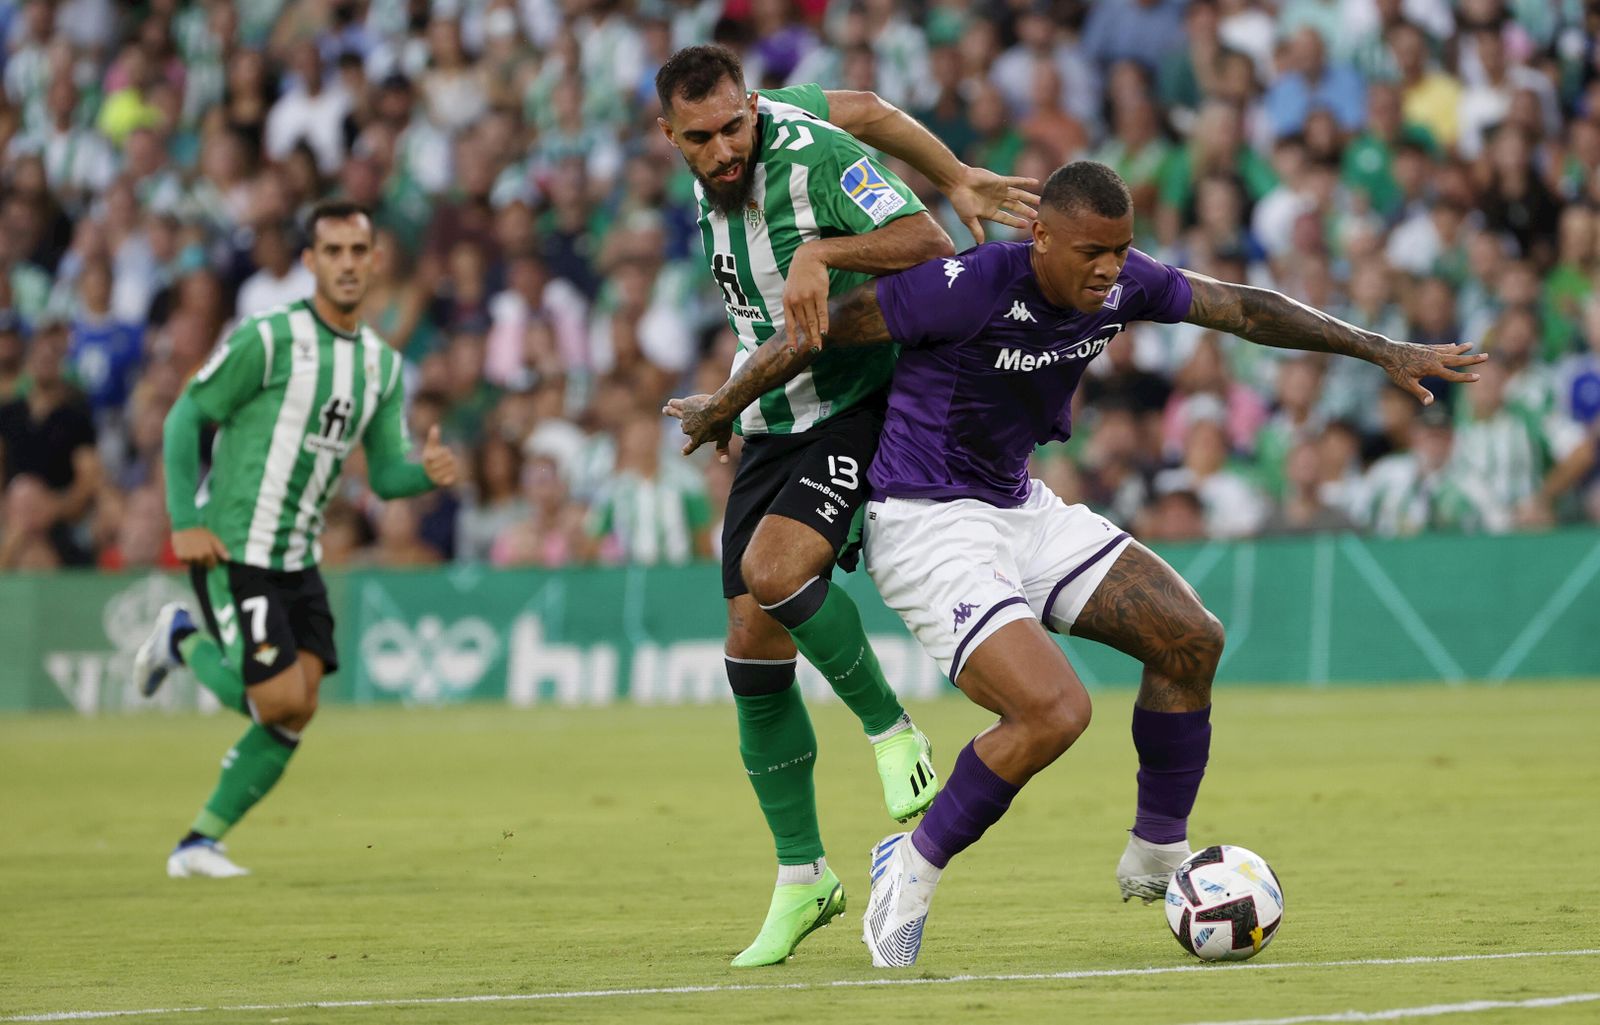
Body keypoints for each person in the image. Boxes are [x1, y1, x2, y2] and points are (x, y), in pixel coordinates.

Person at [668, 161, 1484, 967]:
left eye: (1122, 250)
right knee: (1053, 711)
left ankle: (1160, 849)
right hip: (926, 525)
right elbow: (824, 326)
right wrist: (722, 405)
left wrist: (1380, 349)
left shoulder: (1125, 283)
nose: (1109, 268)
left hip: (1020, 506)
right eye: (1092, 251)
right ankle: (909, 865)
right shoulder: (966, 285)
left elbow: (1242, 309)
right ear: (1041, 236)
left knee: (1190, 638)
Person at [652, 44, 1039, 967]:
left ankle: (890, 726)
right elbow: (860, 101)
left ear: (751, 109)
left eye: (735, 126)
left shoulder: (809, 164)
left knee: (775, 571)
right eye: (701, 137)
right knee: (751, 645)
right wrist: (957, 168)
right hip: (770, 407)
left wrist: (830, 246)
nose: (723, 149)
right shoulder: (745, 142)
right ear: (670, 136)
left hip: (865, 399)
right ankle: (803, 878)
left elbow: (928, 247)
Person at [130, 200, 459, 879]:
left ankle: (198, 841)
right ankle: (182, 635)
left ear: (374, 261)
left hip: (298, 553)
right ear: (309, 262)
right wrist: (182, 518)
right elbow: (185, 416)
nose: (346, 264)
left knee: (297, 708)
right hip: (233, 544)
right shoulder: (270, 337)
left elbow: (386, 471)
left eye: (357, 251)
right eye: (332, 251)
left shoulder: (381, 365)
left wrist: (422, 474)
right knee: (275, 697)